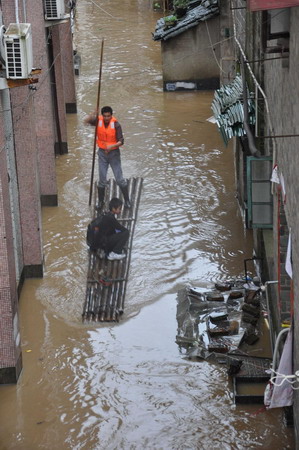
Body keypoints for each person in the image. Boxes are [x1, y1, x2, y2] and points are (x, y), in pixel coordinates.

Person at [84, 106, 131, 209]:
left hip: (114, 154)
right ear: (102, 115)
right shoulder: (98, 121)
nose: (106, 118)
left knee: (119, 179)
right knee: (102, 180)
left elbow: (121, 141)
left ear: (111, 115)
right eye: (104, 116)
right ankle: (101, 202)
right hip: (102, 154)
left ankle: (127, 200)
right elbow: (86, 121)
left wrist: (112, 146)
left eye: (108, 116)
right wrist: (93, 113)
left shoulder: (116, 124)